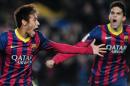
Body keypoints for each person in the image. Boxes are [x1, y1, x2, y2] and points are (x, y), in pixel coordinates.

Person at [0, 4, 106, 85]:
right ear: (24, 22)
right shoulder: (5, 39)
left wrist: (89, 50)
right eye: (35, 20)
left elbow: (62, 48)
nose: (38, 23)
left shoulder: (38, 38)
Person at [46, 1, 130, 86]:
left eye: (118, 13)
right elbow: (77, 47)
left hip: (119, 78)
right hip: (99, 79)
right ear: (109, 16)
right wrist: (55, 59)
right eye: (112, 13)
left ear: (123, 18)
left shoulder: (128, 32)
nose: (115, 15)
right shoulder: (99, 31)